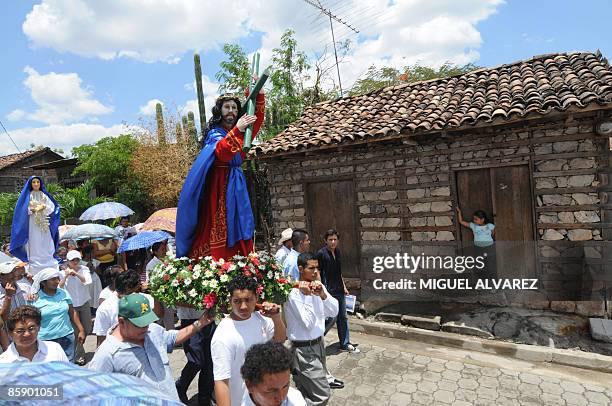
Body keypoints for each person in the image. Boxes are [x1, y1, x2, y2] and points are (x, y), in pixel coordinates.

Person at [176, 89, 265, 260]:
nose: (231, 110)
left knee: (240, 219)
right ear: (220, 111)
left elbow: (257, 120)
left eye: (234, 107)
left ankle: (243, 257)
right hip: (220, 184)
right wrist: (237, 129)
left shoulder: (243, 132)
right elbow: (223, 153)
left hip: (237, 183)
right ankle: (218, 258)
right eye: (226, 107)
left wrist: (258, 94)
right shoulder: (215, 133)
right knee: (220, 221)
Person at [89, 293, 215, 401]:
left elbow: (173, 338)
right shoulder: (107, 355)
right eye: (140, 324)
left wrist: (200, 323)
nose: (146, 328)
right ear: (122, 321)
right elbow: (95, 395)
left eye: (148, 322)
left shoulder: (152, 331)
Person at [212, 275, 286, 406]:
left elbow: (280, 340)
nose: (243, 306)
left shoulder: (262, 320)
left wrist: (276, 317)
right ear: (230, 300)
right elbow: (221, 381)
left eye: (248, 300)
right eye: (237, 301)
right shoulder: (223, 335)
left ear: (256, 298)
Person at [284, 253, 339, 406]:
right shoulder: (293, 293)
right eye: (311, 268)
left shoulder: (317, 286)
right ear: (301, 269)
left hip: (319, 345)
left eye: (317, 268)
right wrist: (308, 296)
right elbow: (307, 323)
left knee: (306, 391)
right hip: (304, 350)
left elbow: (334, 311)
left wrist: (322, 294)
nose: (316, 272)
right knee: (322, 395)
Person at [317, 229, 359, 354]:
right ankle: (314, 340)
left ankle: (345, 343)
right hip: (328, 291)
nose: (333, 242)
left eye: (335, 239)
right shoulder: (321, 254)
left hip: (339, 290)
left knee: (343, 317)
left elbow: (338, 271)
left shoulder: (338, 252)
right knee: (329, 319)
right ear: (325, 241)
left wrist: (344, 286)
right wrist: (322, 290)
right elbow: (318, 272)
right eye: (330, 239)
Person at [30, 268, 86, 362]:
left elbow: (72, 312)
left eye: (57, 278)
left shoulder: (63, 293)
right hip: (46, 340)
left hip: (67, 337)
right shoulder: (34, 299)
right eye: (53, 279)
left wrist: (81, 330)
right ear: (43, 283)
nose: (57, 281)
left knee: (69, 366)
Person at [9, 176, 60, 276]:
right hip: (32, 223)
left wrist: (44, 207)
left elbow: (52, 208)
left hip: (44, 222)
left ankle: (47, 258)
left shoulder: (44, 195)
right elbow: (22, 211)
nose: (36, 184)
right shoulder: (28, 196)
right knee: (34, 240)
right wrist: (32, 209)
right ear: (30, 184)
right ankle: (35, 259)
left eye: (38, 182)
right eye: (34, 182)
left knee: (46, 240)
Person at [93, 269, 157, 347]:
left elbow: (159, 314)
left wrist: (156, 294)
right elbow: (101, 338)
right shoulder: (105, 307)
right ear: (129, 288)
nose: (141, 287)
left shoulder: (143, 299)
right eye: (139, 286)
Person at [175, 301, 217, 405]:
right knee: (195, 361)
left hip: (208, 319)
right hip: (189, 322)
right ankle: (180, 387)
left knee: (209, 363)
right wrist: (202, 304)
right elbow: (176, 302)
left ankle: (204, 398)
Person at [241, 341, 306, 406]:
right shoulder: (236, 402)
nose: (281, 398)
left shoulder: (297, 401)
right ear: (249, 385)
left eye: (285, 386)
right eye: (271, 390)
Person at [0, 305, 68, 363]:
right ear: (10, 333)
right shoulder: (4, 362)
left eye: (31, 328)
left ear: (38, 327)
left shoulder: (54, 349)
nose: (27, 334)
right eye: (20, 331)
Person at [59, 250, 92, 365]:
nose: (75, 262)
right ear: (68, 261)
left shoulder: (84, 269)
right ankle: (79, 355)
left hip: (83, 303)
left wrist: (76, 274)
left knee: (87, 328)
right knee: (76, 331)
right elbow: (60, 287)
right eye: (73, 260)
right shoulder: (62, 272)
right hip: (71, 305)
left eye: (77, 259)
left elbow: (87, 281)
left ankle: (76, 352)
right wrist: (67, 275)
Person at [146, 240, 175, 329]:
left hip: (168, 293)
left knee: (169, 318)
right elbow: (151, 281)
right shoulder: (151, 264)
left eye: (165, 249)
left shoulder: (168, 261)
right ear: (155, 252)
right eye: (162, 249)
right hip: (158, 295)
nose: (165, 251)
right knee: (158, 319)